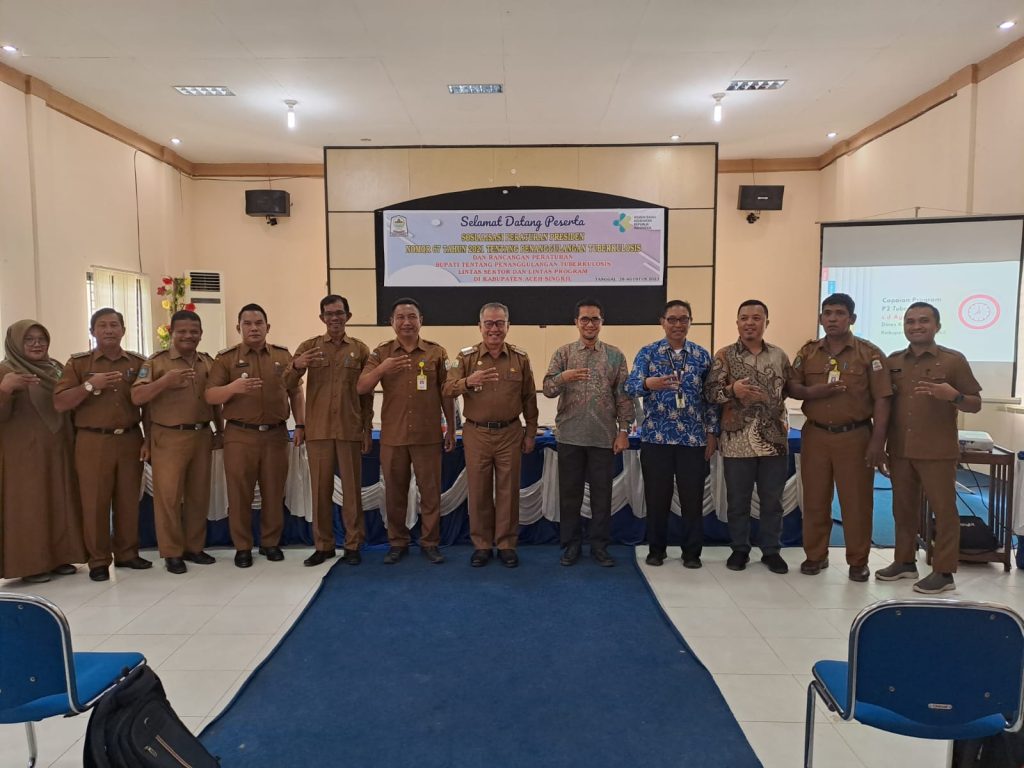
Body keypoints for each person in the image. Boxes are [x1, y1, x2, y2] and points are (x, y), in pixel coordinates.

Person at [876, 302, 982, 593]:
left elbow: (975, 403)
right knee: (903, 509)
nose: (916, 326)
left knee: (944, 511)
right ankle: (904, 561)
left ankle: (944, 572)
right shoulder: (894, 360)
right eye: (910, 321)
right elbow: (885, 405)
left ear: (937, 325)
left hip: (937, 451)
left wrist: (954, 395)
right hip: (900, 450)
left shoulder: (953, 361)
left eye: (923, 321)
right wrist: (881, 445)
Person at [787, 293, 891, 582]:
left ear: (852, 319)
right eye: (827, 313)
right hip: (816, 435)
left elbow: (883, 399)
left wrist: (878, 442)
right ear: (821, 318)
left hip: (855, 435)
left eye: (839, 313)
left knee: (856, 501)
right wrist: (811, 393)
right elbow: (792, 385)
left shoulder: (869, 354)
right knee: (816, 499)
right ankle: (815, 556)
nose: (832, 318)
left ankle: (858, 560)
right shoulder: (808, 352)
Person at [205, 304, 305, 568]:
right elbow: (210, 395)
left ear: (267, 327)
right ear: (239, 328)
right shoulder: (225, 359)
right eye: (247, 323)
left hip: (275, 434)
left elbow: (295, 392)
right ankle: (243, 547)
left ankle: (270, 543)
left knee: (274, 491)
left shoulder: (283, 356)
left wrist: (302, 424)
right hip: (239, 435)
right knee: (240, 494)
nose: (253, 328)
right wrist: (232, 388)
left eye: (258, 323)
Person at [55, 308, 150, 582]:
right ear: (92, 331)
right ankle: (98, 560)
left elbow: (147, 404)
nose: (109, 330)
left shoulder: (138, 362)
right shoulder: (78, 364)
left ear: (123, 330)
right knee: (95, 502)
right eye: (102, 326)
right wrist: (89, 385)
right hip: (92, 440)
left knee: (128, 499)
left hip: (131, 438)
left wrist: (148, 438)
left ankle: (127, 554)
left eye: (114, 325)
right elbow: (60, 403)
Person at [357, 298, 455, 565]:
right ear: (392, 322)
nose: (407, 322)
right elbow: (361, 387)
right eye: (400, 317)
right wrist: (382, 368)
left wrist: (451, 429)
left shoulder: (437, 353)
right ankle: (397, 542)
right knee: (394, 492)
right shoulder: (381, 353)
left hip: (427, 435)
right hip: (394, 436)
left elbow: (447, 394)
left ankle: (430, 542)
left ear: (421, 320)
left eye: (412, 316)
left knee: (431, 492)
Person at [624, 300, 719, 568]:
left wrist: (712, 432)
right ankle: (656, 550)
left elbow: (711, 398)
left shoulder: (701, 355)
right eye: (672, 319)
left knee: (692, 499)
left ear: (690, 322)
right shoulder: (648, 353)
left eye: (683, 319)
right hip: (656, 438)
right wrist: (647, 383)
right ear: (662, 321)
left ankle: (692, 553)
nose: (678, 324)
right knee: (657, 498)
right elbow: (630, 387)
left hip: (692, 439)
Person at [443, 302, 538, 568]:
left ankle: (507, 545)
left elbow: (529, 398)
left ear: (508, 326)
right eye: (489, 323)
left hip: (510, 432)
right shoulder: (465, 358)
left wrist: (531, 432)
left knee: (508, 492)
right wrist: (467, 382)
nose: (494, 329)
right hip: (477, 433)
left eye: (499, 323)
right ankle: (482, 545)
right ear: (480, 326)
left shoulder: (520, 358)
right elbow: (447, 388)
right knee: (479, 491)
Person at [543, 298, 633, 567]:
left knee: (601, 495)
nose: (590, 324)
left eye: (595, 319)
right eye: (585, 319)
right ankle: (571, 546)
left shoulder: (615, 355)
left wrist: (624, 430)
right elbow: (548, 389)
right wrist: (563, 378)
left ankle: (599, 546)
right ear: (576, 323)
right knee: (570, 495)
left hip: (603, 437)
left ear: (602, 322)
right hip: (570, 436)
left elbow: (624, 396)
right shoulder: (563, 353)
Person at [286, 294, 373, 567]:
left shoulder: (359, 350)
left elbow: (367, 394)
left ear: (348, 316)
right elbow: (286, 383)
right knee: (320, 491)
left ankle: (353, 544)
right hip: (319, 430)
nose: (334, 318)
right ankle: (323, 546)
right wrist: (297, 365)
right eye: (329, 313)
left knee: (351, 491)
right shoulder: (309, 347)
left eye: (339, 313)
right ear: (321, 317)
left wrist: (367, 427)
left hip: (349, 429)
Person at [705, 300, 792, 573]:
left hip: (774, 440)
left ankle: (771, 551)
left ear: (767, 322)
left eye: (756, 318)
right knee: (738, 501)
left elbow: (786, 391)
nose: (750, 323)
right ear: (737, 323)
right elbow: (709, 394)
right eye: (744, 318)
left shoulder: (779, 356)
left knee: (772, 501)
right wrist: (732, 390)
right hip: (736, 441)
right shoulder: (724, 355)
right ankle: (739, 549)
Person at [131, 310, 220, 574]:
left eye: (194, 332)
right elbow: (137, 397)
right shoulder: (156, 363)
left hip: (202, 434)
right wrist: (164, 382)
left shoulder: (207, 362)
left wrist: (220, 431)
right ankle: (171, 552)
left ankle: (194, 547)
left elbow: (215, 401)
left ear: (201, 334)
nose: (188, 336)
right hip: (168, 436)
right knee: (168, 497)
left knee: (198, 495)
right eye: (182, 331)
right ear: (171, 333)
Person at [0, 320, 86, 582]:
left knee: (59, 500)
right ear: (16, 342)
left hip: (58, 448)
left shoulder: (57, 368)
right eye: (29, 339)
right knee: (30, 507)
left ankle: (59, 557)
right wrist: (5, 389)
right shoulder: (5, 370)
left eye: (41, 339)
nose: (37, 344)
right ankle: (31, 565)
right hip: (23, 455)